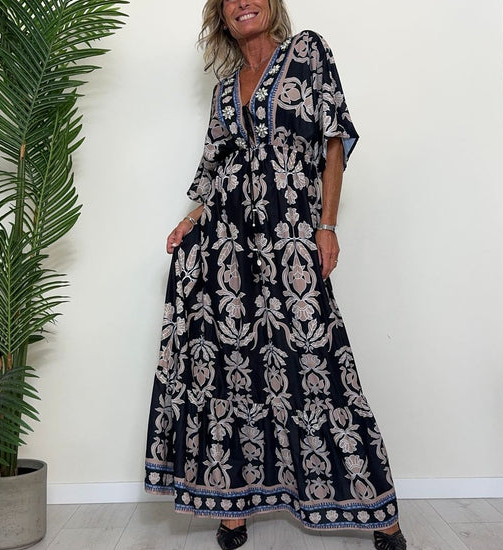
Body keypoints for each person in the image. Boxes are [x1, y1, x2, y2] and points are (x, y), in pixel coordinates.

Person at [145, 1, 406, 549]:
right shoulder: (224, 90)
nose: (243, 2)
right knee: (231, 369)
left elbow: (334, 139)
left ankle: (379, 512)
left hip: (291, 241)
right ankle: (233, 507)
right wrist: (189, 220)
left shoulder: (307, 52)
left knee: (320, 366)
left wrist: (326, 226)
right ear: (222, 16)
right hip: (227, 248)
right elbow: (214, 169)